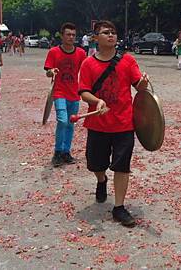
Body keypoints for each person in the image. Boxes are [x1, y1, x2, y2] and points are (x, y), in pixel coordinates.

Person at [78, 20, 149, 228]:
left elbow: (139, 86)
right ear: (95, 38)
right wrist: (97, 101)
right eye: (105, 32)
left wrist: (144, 82)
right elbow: (83, 92)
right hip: (98, 124)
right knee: (95, 164)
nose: (111, 35)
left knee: (122, 166)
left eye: (113, 32)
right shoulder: (88, 64)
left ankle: (119, 207)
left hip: (124, 124)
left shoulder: (127, 61)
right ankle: (101, 180)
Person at [44, 22, 87, 167]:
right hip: (59, 92)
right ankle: (57, 152)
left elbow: (87, 69)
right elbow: (48, 71)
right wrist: (52, 72)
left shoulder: (81, 53)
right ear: (61, 36)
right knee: (62, 120)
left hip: (74, 93)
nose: (71, 37)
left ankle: (66, 152)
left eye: (73, 35)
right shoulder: (54, 52)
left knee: (70, 124)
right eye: (68, 34)